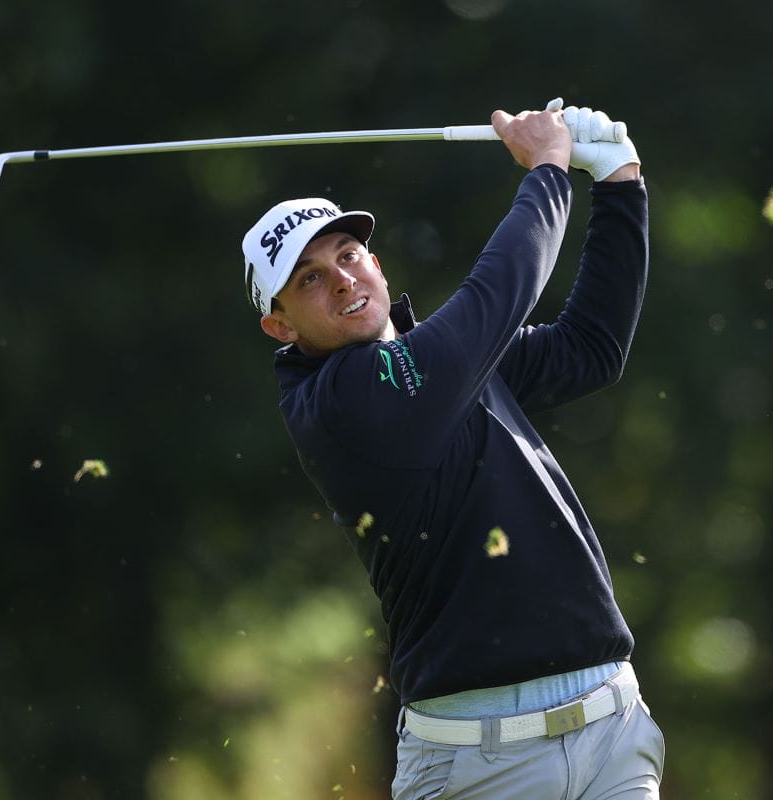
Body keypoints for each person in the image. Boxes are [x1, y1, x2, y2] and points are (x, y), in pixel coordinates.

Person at [241, 99, 663, 799]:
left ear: (375, 264)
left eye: (347, 256)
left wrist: (620, 184)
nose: (341, 279)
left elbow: (591, 349)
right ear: (280, 326)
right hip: (476, 766)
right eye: (308, 278)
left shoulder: (443, 363)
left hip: (611, 731)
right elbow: (497, 294)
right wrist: (548, 170)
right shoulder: (342, 401)